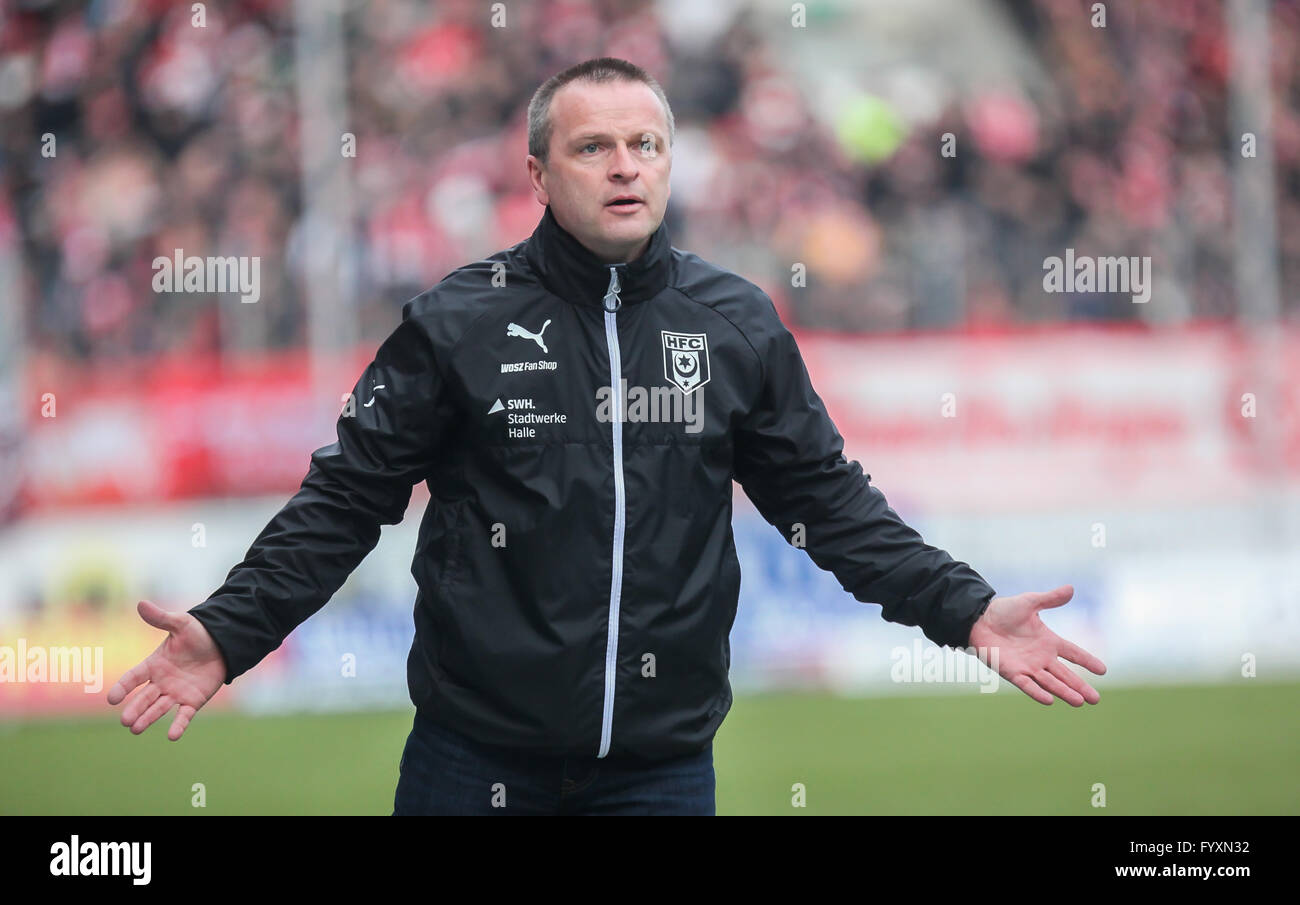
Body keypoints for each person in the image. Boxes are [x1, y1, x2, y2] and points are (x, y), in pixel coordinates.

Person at [107, 57, 1106, 815]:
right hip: (474, 763)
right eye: (593, 147)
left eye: (646, 145)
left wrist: (963, 606)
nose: (624, 166)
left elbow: (828, 503)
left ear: (670, 163)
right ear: (539, 172)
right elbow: (343, 500)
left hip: (661, 771)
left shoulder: (736, 323)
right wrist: (231, 629)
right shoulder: (458, 322)